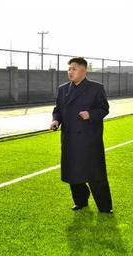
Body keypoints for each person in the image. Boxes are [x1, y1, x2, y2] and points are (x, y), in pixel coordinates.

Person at [50, 57, 113, 213]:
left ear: (84, 70)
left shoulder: (96, 88)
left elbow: (104, 109)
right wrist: (55, 121)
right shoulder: (63, 89)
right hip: (70, 138)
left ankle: (105, 206)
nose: (70, 72)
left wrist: (90, 114)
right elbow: (57, 109)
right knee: (73, 172)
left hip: (89, 139)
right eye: (69, 69)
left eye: (74, 68)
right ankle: (80, 200)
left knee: (95, 173)